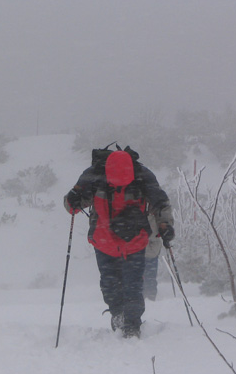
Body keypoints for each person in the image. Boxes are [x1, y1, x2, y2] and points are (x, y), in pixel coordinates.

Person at [63, 145, 174, 338]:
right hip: (108, 241)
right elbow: (72, 205)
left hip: (125, 241)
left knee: (126, 285)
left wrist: (165, 225)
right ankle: (119, 316)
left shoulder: (142, 175)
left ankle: (131, 323)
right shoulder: (95, 175)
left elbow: (161, 203)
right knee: (114, 284)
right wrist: (72, 199)